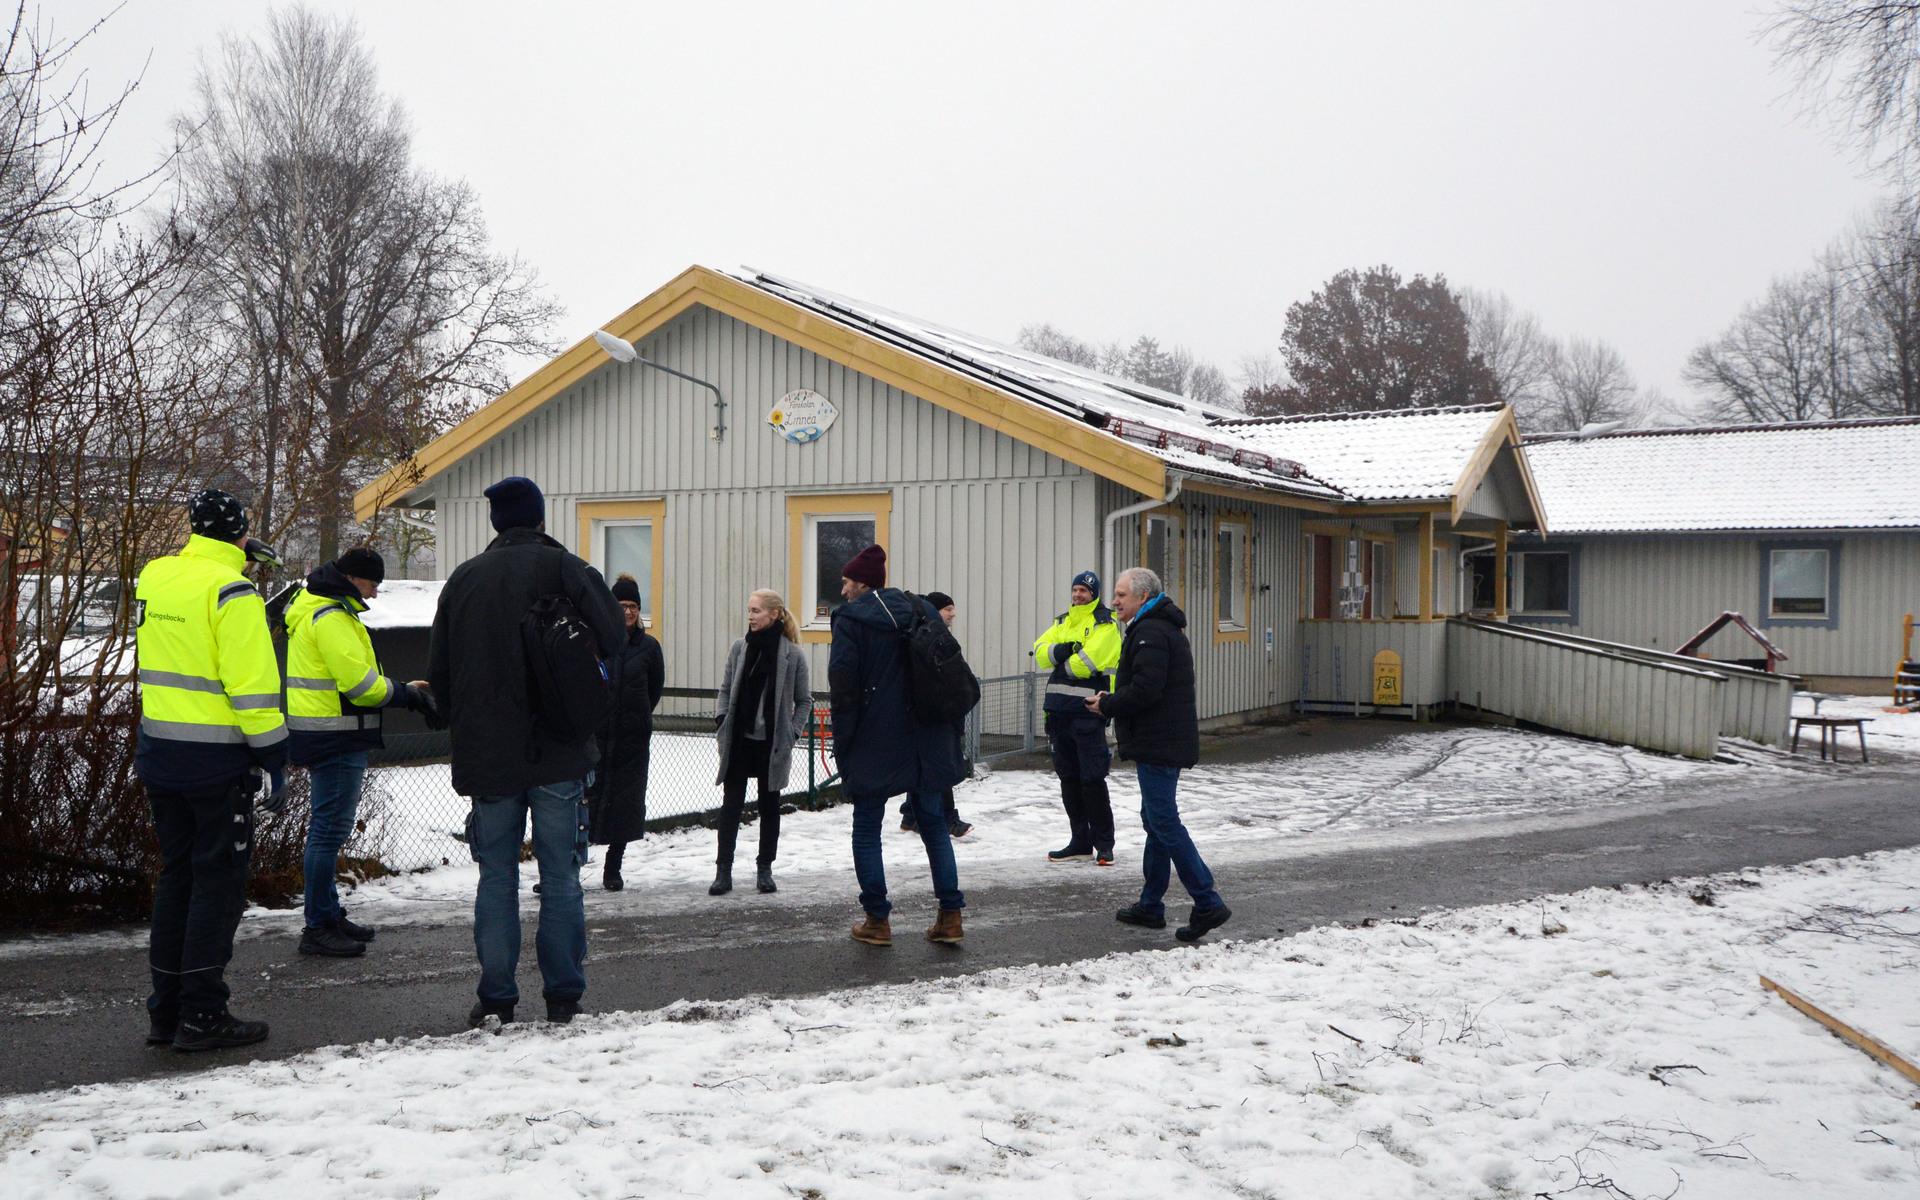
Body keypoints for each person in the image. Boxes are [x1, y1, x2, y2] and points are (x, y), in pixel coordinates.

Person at [428, 476, 624, 1027]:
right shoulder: (567, 569)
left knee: (496, 878)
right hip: (559, 750)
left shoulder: (463, 581)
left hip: (489, 755)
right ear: (540, 519)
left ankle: (496, 998)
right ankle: (563, 995)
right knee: (560, 875)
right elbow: (615, 640)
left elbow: (440, 675)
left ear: (496, 524)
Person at [134, 488, 287, 1052]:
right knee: (216, 885)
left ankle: (166, 1012)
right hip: (217, 764)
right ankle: (204, 1014)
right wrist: (274, 755)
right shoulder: (233, 591)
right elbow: (250, 688)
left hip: (160, 751)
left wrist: (234, 555)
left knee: (177, 877)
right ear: (241, 532)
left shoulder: (157, 574)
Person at [285, 547, 438, 957]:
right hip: (335, 737)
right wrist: (405, 693)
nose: (373, 595)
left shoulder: (322, 609)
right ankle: (318, 925)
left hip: (328, 733)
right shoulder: (332, 617)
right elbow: (362, 687)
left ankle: (328, 914)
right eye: (371, 585)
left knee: (327, 833)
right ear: (352, 578)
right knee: (327, 834)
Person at [829, 545, 966, 945]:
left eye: (846, 583)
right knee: (934, 824)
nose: (842, 591)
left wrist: (845, 743)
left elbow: (845, 690)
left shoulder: (851, 620)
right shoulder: (921, 609)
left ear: (861, 583)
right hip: (930, 734)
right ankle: (950, 916)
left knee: (867, 827)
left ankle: (877, 920)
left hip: (877, 738)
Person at [1088, 566, 1231, 943]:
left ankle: (1206, 900)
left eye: (1120, 595)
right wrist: (1113, 701)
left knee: (1164, 822)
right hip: (1160, 739)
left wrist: (1108, 705)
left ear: (1142, 596)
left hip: (1160, 742)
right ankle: (1151, 905)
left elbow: (1147, 690)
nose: (1114, 601)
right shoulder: (1154, 627)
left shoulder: (1151, 631)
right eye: (1115, 595)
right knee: (1154, 820)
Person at [711, 589, 810, 896]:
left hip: (772, 746)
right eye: (749, 610)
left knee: (770, 809)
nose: (750, 616)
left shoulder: (792, 655)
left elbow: (804, 701)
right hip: (740, 742)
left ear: (774, 614)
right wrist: (722, 719)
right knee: (731, 808)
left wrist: (791, 733)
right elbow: (726, 689)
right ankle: (722, 872)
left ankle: (764, 869)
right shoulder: (740, 648)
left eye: (756, 611)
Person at [1031, 569, 1123, 865]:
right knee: (1068, 781)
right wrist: (1064, 651)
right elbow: (1039, 653)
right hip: (1058, 714)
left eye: (1083, 591)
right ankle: (1080, 841)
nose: (1077, 595)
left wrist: (1061, 659)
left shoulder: (1105, 624)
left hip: (1087, 714)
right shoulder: (1062, 621)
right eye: (1075, 590)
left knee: (1092, 779)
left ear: (1093, 594)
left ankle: (1104, 844)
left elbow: (1087, 664)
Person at [589, 574, 664, 893]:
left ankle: (613, 868)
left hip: (632, 740)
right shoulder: (596, 643)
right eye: (621, 605)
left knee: (624, 804)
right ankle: (568, 868)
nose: (628, 612)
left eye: (633, 606)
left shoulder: (649, 648)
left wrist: (636, 716)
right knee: (584, 802)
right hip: (596, 738)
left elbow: (654, 689)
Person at [898, 590, 972, 839]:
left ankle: (910, 816)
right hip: (938, 714)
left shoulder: (933, 637)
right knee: (941, 770)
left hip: (935, 714)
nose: (953, 614)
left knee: (925, 769)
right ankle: (949, 819)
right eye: (948, 609)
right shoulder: (930, 639)